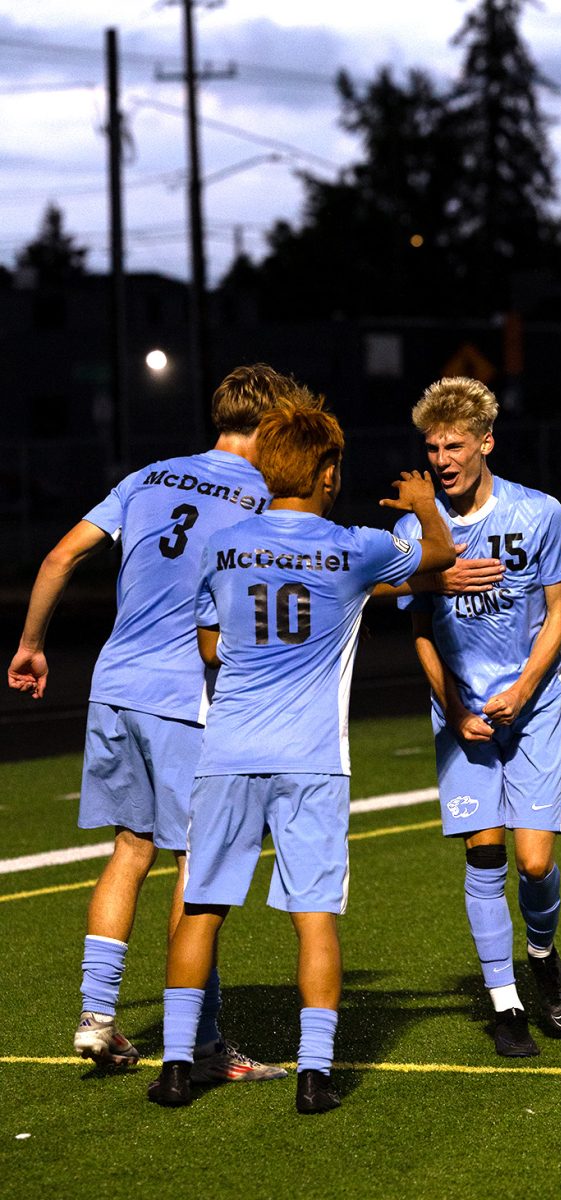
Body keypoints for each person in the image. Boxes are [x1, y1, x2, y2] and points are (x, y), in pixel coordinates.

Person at [148, 404, 455, 1112]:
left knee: (200, 909)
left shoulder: (221, 546)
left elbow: (208, 649)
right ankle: (315, 1076)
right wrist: (423, 505)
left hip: (227, 750)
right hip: (311, 755)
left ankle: (172, 1067)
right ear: (326, 473)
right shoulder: (355, 546)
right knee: (312, 914)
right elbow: (437, 556)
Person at [8, 363, 310, 1080]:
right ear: (270, 426)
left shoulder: (149, 476)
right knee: (196, 865)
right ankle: (200, 1044)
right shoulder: (265, 494)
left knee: (128, 850)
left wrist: (30, 645)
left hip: (113, 686)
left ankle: (96, 1018)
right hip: (188, 700)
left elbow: (61, 555)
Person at [392, 377, 561, 1057]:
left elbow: (560, 611)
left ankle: (540, 952)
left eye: (454, 444)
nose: (441, 458)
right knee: (485, 854)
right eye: (432, 446)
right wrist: (454, 709)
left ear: (485, 443)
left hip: (534, 706)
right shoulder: (413, 527)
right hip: (461, 712)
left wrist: (524, 690)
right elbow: (416, 629)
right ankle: (505, 1006)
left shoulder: (538, 513)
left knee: (533, 865)